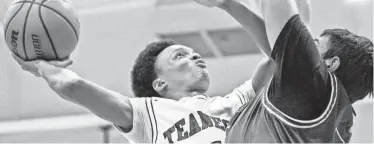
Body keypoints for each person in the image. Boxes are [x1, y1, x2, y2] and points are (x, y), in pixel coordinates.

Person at [10, 5, 275, 143]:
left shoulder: (233, 104)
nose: (194, 56)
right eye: (179, 55)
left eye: (193, 53)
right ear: (159, 83)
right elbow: (74, 86)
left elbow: (278, 53)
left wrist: (229, 4)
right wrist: (40, 66)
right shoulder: (146, 114)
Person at [194, 0, 373, 143]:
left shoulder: (314, 84)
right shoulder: (337, 125)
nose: (309, 47)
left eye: (315, 45)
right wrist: (229, 4)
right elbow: (276, 50)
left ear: (330, 64)